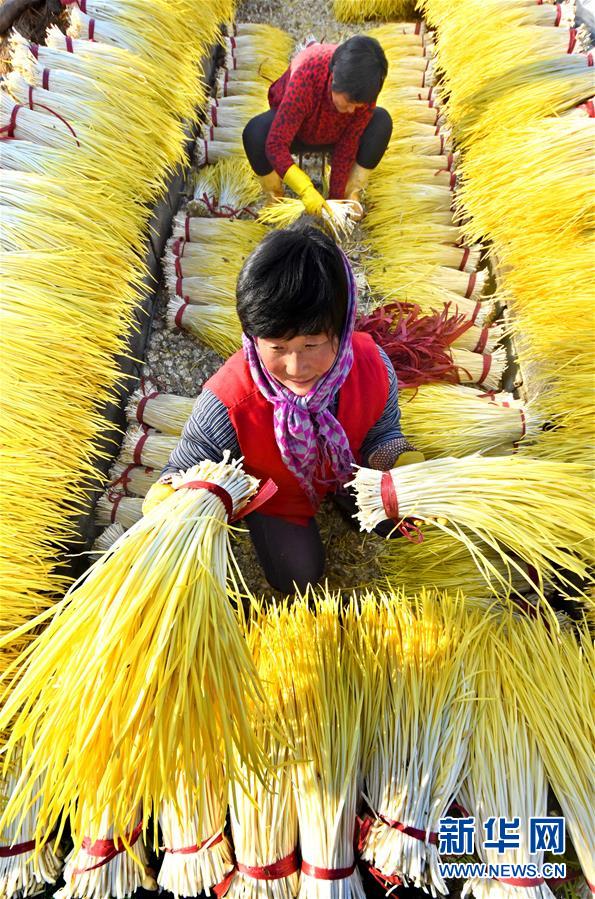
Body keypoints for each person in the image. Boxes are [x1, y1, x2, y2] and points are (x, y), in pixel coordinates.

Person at [143, 225, 421, 593]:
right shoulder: (228, 401)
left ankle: (344, 496)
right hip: (279, 498)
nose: (295, 367)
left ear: (341, 325)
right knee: (298, 577)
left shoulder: (371, 365)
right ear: (252, 337)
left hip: (352, 472)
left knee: (402, 521)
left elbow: (383, 431)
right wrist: (172, 499)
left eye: (312, 344)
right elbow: (182, 470)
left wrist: (391, 464)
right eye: (277, 347)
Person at [242, 35, 392, 215]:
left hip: (335, 136)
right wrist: (305, 189)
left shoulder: (366, 88)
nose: (352, 110)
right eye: (349, 102)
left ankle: (350, 194)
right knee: (255, 132)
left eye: (357, 105)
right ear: (336, 78)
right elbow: (276, 145)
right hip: (297, 132)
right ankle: (276, 199)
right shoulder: (306, 74)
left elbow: (347, 148)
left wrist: (335, 200)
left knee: (381, 122)